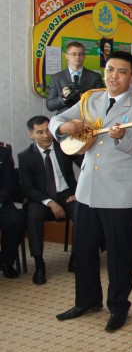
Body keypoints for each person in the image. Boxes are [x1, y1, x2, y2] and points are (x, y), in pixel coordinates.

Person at [50, 50, 132, 332]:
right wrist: (65, 126)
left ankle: (118, 306)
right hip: (87, 190)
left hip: (119, 194)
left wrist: (124, 138)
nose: (114, 76)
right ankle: (87, 301)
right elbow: (54, 121)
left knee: (119, 255)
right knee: (83, 251)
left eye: (122, 71)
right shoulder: (91, 99)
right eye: (110, 69)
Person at [18, 116, 77, 285]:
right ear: (31, 135)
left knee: (82, 211)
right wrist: (50, 202)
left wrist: (79, 192)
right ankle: (39, 264)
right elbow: (28, 189)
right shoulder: (25, 156)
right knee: (33, 216)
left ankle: (76, 258)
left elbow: (86, 166)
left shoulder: (65, 147)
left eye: (48, 131)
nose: (45, 136)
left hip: (66, 194)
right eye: (40, 132)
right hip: (40, 199)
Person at [46, 41, 104, 115]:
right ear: (67, 56)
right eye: (73, 54)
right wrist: (63, 98)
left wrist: (85, 96)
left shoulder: (94, 76)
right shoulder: (57, 78)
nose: (77, 57)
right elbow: (50, 105)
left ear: (85, 56)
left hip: (87, 118)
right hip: (64, 118)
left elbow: (102, 100)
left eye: (81, 54)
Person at [0, 142, 26, 279]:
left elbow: (8, 183)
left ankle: (6, 262)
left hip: (1, 203)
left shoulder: (3, 151)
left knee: (17, 220)